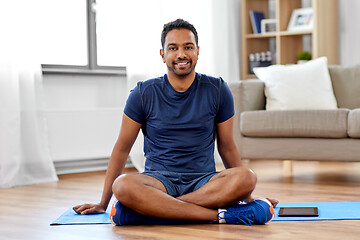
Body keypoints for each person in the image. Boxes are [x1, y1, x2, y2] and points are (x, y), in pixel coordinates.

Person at [73, 18, 278, 226]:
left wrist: (247, 194)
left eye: (188, 47)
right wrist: (103, 202)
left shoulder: (217, 89)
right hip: (158, 181)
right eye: (173, 48)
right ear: (163, 55)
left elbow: (226, 146)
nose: (181, 54)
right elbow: (121, 149)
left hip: (204, 181)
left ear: (197, 51)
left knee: (247, 177)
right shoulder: (143, 93)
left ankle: (150, 212)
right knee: (123, 186)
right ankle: (223, 215)